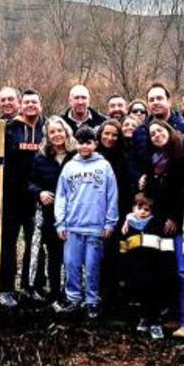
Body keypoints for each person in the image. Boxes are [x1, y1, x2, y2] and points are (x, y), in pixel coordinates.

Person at [131, 83, 184, 338]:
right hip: (156, 218)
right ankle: (165, 314)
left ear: (169, 101)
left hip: (182, 219)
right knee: (162, 267)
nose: (155, 103)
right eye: (151, 99)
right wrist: (141, 185)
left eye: (159, 98)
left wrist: (175, 216)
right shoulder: (150, 152)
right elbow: (137, 165)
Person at [52, 126, 118, 319]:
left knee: (92, 266)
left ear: (95, 144)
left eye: (88, 143)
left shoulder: (104, 166)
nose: (84, 147)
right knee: (71, 264)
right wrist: (60, 223)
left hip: (96, 226)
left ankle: (92, 301)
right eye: (81, 143)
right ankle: (73, 298)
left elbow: (112, 196)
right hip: (72, 226)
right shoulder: (69, 167)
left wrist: (110, 223)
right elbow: (61, 196)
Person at [0, 89, 46, 305]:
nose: (30, 105)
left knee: (35, 243)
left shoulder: (46, 128)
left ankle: (31, 286)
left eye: (34, 102)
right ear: (21, 105)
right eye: (26, 102)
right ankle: (6, 288)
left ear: (40, 105)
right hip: (11, 196)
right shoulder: (9, 129)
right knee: (8, 243)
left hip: (36, 196)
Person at [28, 116, 76, 304]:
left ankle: (72, 292)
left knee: (72, 256)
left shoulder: (77, 155)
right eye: (52, 132)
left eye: (59, 131)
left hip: (75, 214)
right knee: (54, 255)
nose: (57, 135)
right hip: (51, 214)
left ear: (66, 132)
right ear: (47, 136)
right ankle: (54, 291)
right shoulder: (41, 158)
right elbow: (30, 182)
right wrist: (39, 193)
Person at [120, 193, 176, 339]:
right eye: (139, 208)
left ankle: (155, 323)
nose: (143, 212)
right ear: (133, 208)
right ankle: (144, 318)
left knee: (154, 295)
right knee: (139, 294)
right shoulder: (127, 226)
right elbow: (123, 249)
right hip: (135, 269)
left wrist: (166, 268)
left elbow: (166, 247)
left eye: (147, 209)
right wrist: (124, 269)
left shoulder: (158, 224)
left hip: (154, 269)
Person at [97, 119, 134, 309]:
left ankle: (118, 299)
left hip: (118, 213)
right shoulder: (93, 155)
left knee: (117, 255)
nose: (110, 138)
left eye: (114, 135)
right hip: (94, 213)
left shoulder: (123, 157)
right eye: (106, 133)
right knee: (98, 256)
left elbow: (126, 187)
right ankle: (100, 296)